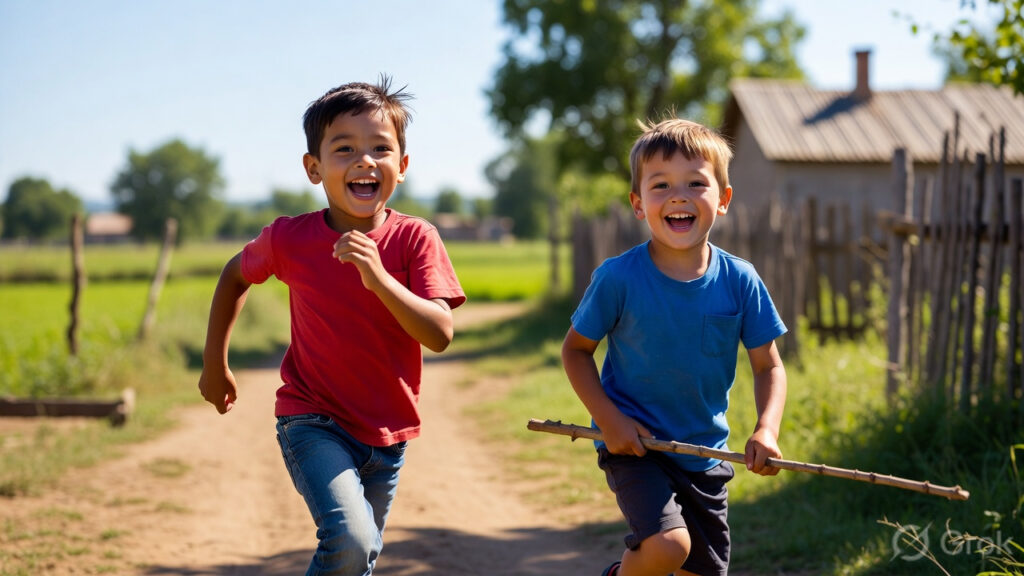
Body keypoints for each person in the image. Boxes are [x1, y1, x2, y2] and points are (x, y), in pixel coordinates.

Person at [198, 77, 465, 575]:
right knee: (349, 539)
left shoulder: (415, 239)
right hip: (312, 420)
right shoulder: (289, 239)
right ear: (314, 168)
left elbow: (439, 333)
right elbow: (235, 275)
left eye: (380, 149)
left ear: (402, 167)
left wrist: (378, 276)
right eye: (345, 149)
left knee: (358, 558)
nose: (365, 161)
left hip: (388, 435)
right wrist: (215, 363)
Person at [561, 118, 788, 576]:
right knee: (668, 546)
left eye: (695, 183)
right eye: (660, 185)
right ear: (638, 204)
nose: (678, 196)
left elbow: (769, 367)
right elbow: (575, 351)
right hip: (634, 447)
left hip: (706, 454)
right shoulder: (618, 278)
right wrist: (611, 420)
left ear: (723, 200)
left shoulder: (740, 281)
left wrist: (767, 430)